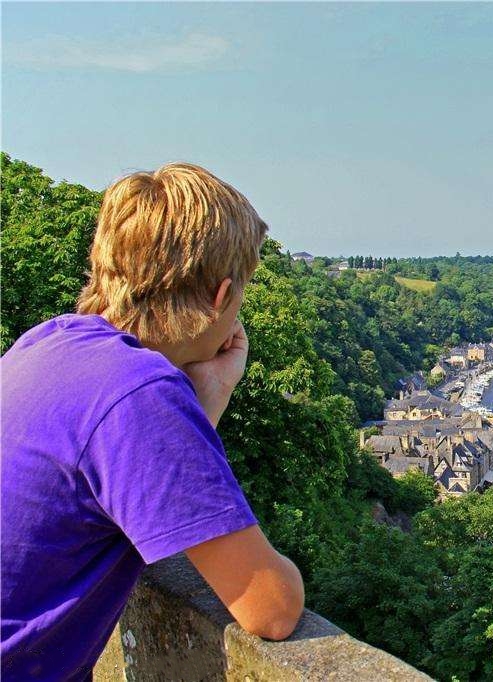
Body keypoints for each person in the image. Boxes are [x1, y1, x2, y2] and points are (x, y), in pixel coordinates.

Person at [1, 163, 305, 680]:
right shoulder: (138, 394)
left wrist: (208, 398)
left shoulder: (47, 341)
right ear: (220, 296)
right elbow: (271, 608)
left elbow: (131, 484)